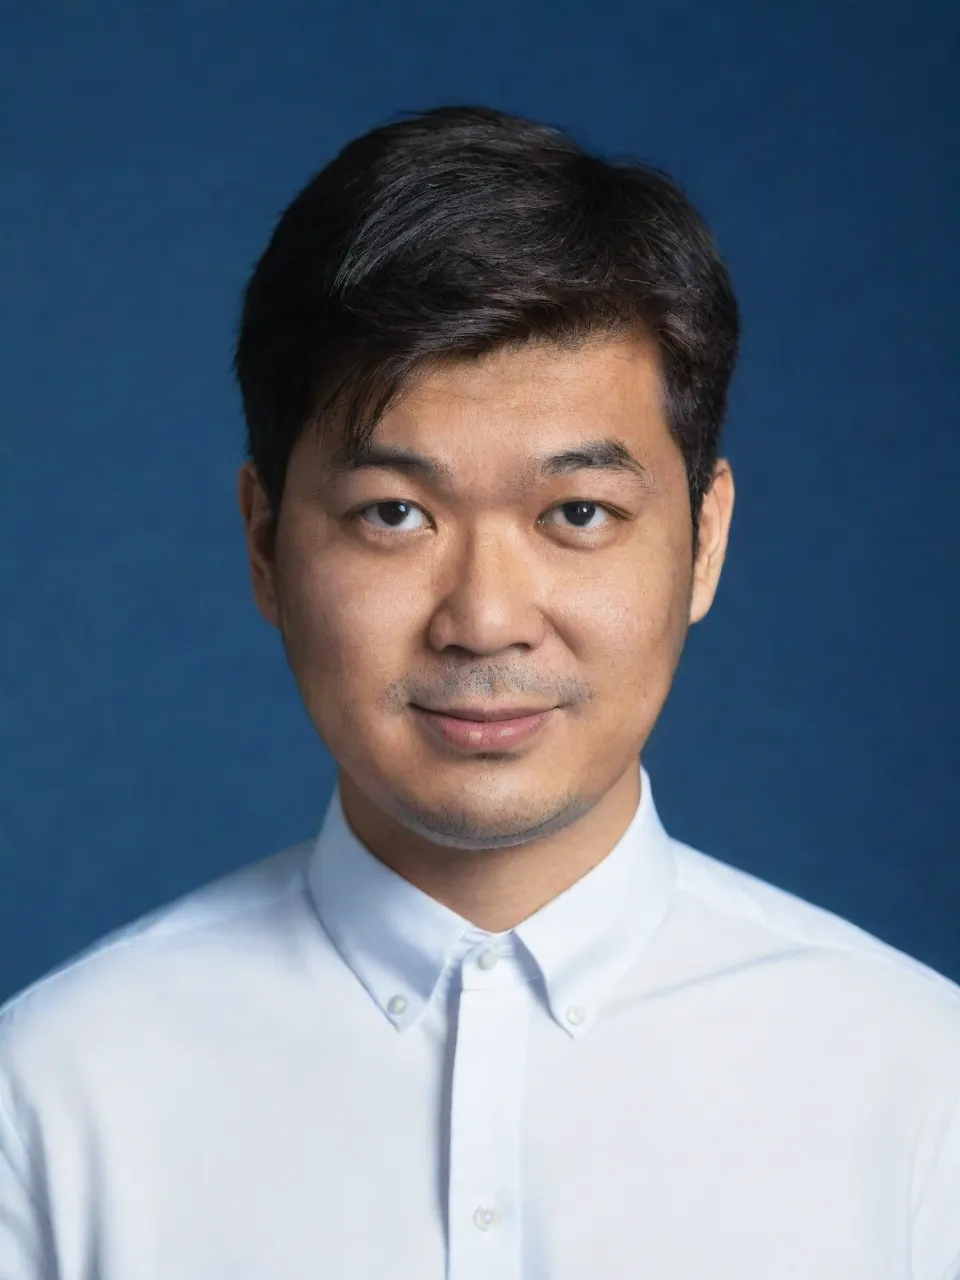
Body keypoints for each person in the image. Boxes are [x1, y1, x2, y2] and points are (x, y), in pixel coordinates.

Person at [1, 105, 958, 1280]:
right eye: (395, 513)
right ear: (264, 544)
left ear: (704, 541)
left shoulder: (921, 1095)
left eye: (578, 514)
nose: (485, 617)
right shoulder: (49, 1098)